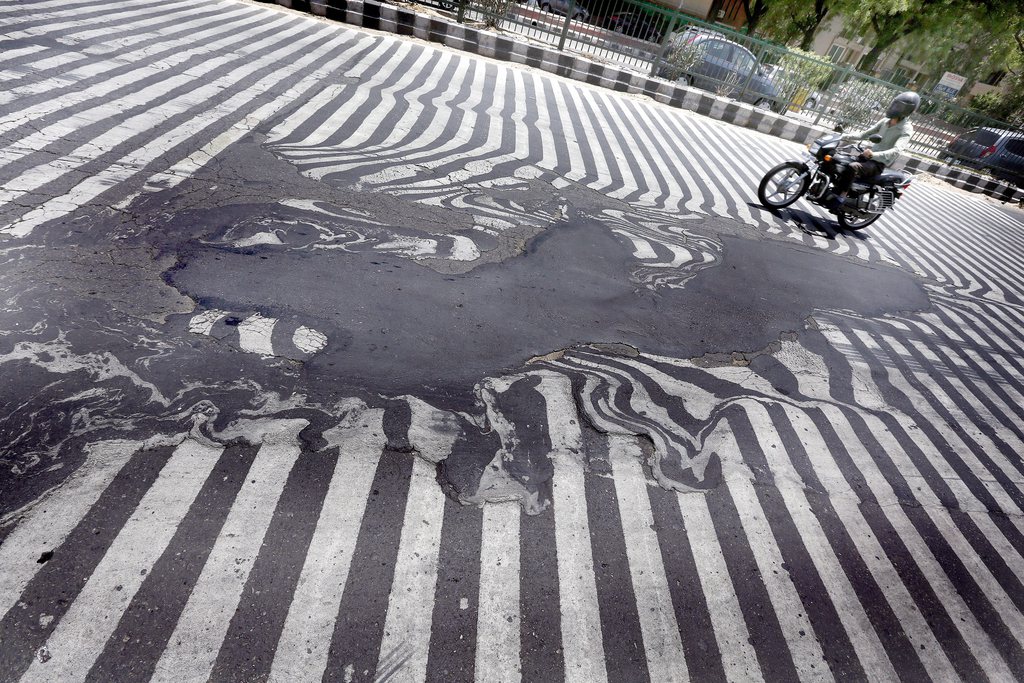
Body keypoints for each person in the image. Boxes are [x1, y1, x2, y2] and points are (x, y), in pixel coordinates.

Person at [826, 91, 920, 211]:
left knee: (853, 167)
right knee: (838, 160)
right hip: (867, 158)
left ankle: (841, 197)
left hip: (877, 163)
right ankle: (833, 190)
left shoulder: (906, 129)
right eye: (895, 104)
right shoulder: (885, 121)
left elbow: (897, 150)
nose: (894, 107)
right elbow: (864, 134)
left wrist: (873, 154)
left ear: (907, 110)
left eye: (899, 106)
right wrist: (843, 136)